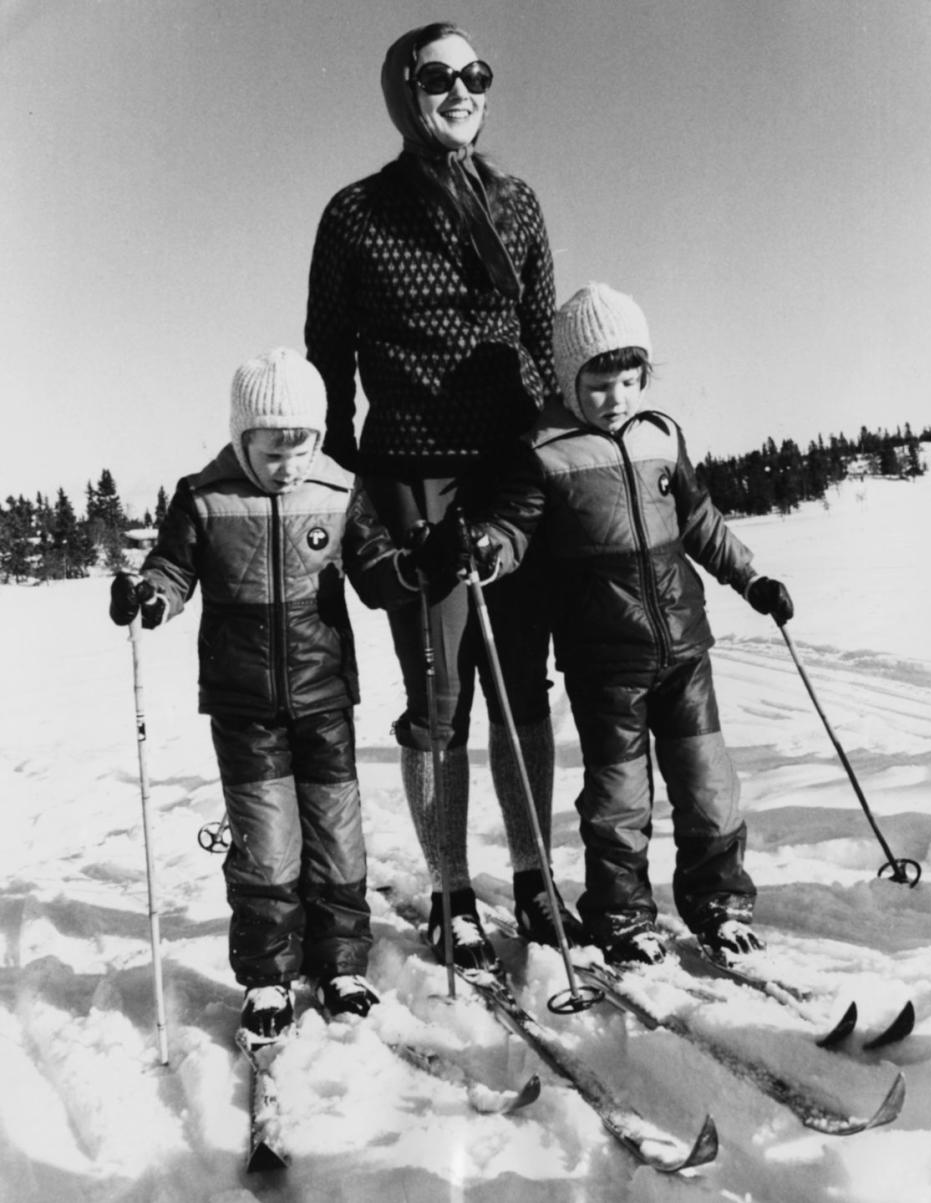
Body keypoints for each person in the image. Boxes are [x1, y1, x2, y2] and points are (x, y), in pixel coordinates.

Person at [304, 22, 576, 969]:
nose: (462, 90)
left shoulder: (518, 203)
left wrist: (537, 475)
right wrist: (353, 506)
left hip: (508, 480)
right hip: (411, 481)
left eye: (477, 74)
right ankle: (450, 892)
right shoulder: (356, 215)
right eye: (438, 77)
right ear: (402, 92)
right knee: (438, 702)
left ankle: (538, 880)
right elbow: (328, 368)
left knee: (521, 691)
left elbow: (541, 348)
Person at [431, 283, 794, 967]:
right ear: (569, 379)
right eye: (600, 383)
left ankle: (720, 902)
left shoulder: (661, 437)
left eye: (630, 379)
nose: (617, 396)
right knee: (618, 797)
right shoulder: (544, 451)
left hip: (684, 648)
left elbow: (700, 523)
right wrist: (485, 548)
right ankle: (623, 915)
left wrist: (753, 579)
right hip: (605, 660)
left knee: (709, 785)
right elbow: (514, 528)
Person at [109, 347, 418, 1039]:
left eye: (300, 445)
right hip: (243, 703)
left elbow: (376, 570)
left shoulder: (338, 491)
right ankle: (268, 976)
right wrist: (151, 598)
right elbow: (172, 569)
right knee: (267, 844)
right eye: (272, 449)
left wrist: (420, 567)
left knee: (338, 836)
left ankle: (340, 963)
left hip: (324, 696)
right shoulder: (205, 496)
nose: (289, 464)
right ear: (241, 436)